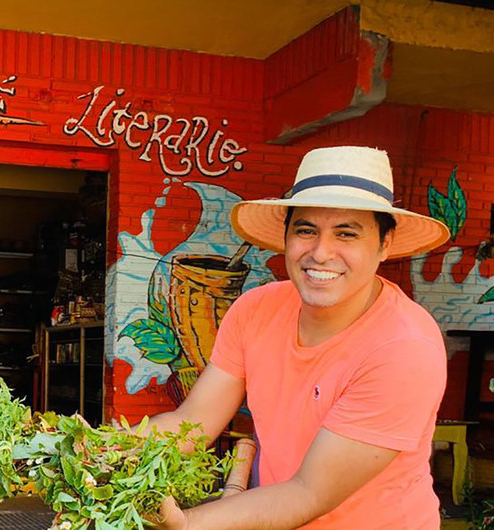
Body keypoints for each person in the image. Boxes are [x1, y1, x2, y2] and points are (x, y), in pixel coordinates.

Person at [147, 146, 451, 529]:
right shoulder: (255, 310)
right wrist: (115, 449)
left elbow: (308, 492)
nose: (321, 253)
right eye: (306, 230)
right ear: (287, 236)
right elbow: (194, 420)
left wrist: (187, 522)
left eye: (346, 234)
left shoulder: (404, 349)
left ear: (384, 244)